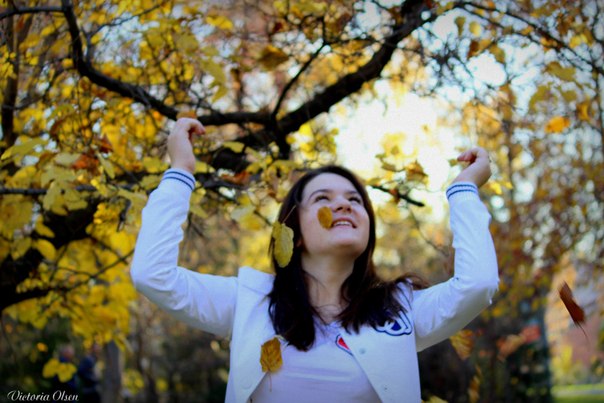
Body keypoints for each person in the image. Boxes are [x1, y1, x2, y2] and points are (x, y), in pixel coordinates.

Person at [130, 118, 499, 403]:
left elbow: (478, 284)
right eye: (322, 199)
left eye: (355, 200)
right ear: (296, 232)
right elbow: (153, 274)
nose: (343, 205)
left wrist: (464, 189)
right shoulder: (249, 302)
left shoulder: (401, 309)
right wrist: (181, 171)